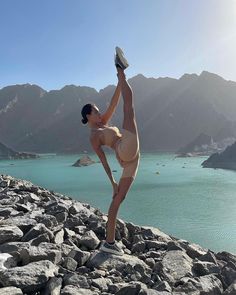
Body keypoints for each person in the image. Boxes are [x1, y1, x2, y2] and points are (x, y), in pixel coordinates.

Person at [81, 47, 140, 256]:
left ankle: (110, 243)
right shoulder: (94, 136)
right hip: (125, 150)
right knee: (129, 108)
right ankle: (120, 69)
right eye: (96, 112)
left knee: (118, 199)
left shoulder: (103, 123)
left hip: (132, 159)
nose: (100, 113)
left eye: (98, 111)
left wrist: (118, 84)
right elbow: (103, 161)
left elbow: (114, 103)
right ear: (88, 116)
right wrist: (112, 182)